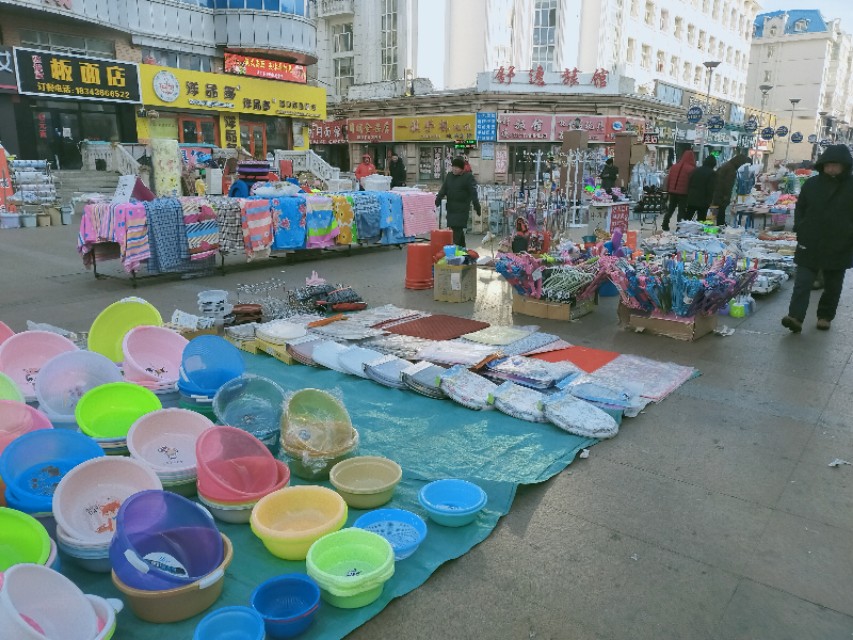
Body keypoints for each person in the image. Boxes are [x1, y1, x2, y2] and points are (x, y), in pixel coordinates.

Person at [781, 144, 853, 333]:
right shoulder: (812, 184)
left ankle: (825, 316)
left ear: (845, 165)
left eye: (835, 165)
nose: (831, 168)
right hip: (810, 240)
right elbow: (801, 207)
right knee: (802, 282)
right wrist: (800, 227)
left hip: (840, 243)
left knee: (833, 285)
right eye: (828, 164)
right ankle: (795, 317)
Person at [435, 156, 481, 247]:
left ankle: (454, 253)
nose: (454, 169)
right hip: (451, 208)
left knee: (457, 230)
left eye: (457, 167)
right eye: (453, 167)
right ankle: (463, 250)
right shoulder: (449, 176)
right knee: (455, 229)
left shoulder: (468, 177)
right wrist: (438, 198)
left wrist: (477, 205)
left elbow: (473, 192)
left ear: (461, 168)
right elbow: (444, 188)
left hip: (462, 208)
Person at [711, 153, 750, 226]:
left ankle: (720, 225)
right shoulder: (731, 170)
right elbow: (728, 185)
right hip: (722, 195)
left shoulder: (727, 165)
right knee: (721, 212)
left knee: (719, 212)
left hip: (718, 192)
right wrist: (726, 196)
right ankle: (720, 226)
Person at [662, 149, 696, 231]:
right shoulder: (691, 169)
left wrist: (667, 190)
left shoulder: (674, 166)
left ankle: (665, 224)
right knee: (681, 211)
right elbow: (691, 182)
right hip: (683, 193)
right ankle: (679, 228)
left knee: (670, 209)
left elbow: (669, 178)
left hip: (672, 192)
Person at [683, 155, 717, 221]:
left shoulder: (696, 170)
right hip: (703, 201)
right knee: (701, 220)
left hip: (692, 198)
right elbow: (710, 189)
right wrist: (710, 201)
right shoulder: (712, 173)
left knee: (687, 218)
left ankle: (681, 230)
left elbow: (689, 182)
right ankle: (698, 230)